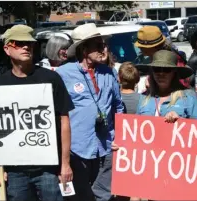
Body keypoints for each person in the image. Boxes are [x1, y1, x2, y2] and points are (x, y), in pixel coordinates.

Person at [0, 25, 74, 201]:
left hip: (48, 168)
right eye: (19, 43)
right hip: (15, 170)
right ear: (7, 48)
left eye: (29, 43)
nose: (26, 47)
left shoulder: (51, 78)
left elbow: (64, 120)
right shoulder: (0, 83)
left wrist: (65, 164)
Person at [113, 50, 197, 201]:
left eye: (166, 70)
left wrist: (181, 123)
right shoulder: (144, 98)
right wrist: (121, 145)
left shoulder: (188, 97)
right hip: (150, 174)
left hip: (177, 174)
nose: (161, 73)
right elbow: (135, 134)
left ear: (174, 73)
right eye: (157, 69)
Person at [56, 23, 124, 201]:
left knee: (104, 196)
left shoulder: (109, 73)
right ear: (84, 49)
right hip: (77, 149)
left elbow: (118, 107)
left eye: (104, 45)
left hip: (107, 145)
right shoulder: (63, 74)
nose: (104, 49)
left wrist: (121, 137)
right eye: (99, 46)